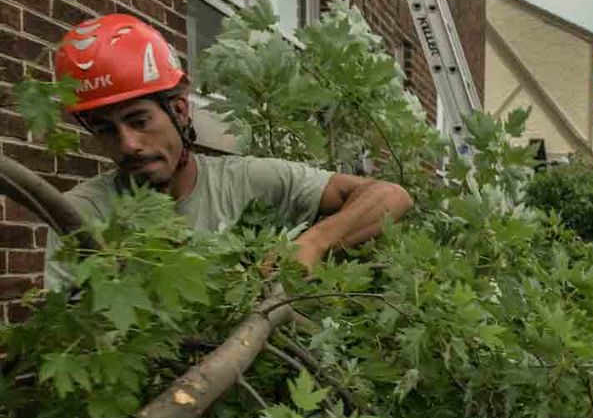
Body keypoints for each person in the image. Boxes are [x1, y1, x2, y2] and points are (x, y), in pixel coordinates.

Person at [47, 14, 412, 286]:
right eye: (106, 130)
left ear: (179, 110)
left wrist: (314, 242)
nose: (128, 144)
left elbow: (390, 196)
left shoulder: (247, 181)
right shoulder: (81, 213)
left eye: (139, 120)